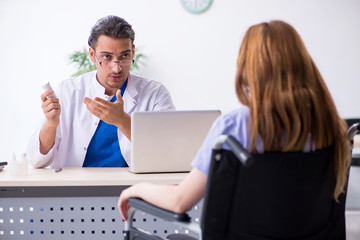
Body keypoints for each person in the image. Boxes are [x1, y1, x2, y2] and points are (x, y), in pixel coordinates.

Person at [118, 20, 351, 220]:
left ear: (249, 68)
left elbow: (181, 201)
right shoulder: (331, 125)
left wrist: (136, 188)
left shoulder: (236, 126)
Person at [27, 15, 175, 168]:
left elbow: (168, 154)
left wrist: (122, 121)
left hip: (131, 187)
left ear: (133, 52)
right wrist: (51, 124)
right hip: (76, 187)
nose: (116, 68)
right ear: (92, 55)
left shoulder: (155, 94)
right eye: (106, 57)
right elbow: (36, 161)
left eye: (124, 56)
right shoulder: (68, 91)